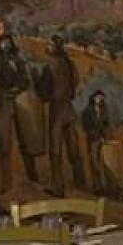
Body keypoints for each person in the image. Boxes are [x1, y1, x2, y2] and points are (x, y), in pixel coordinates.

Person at [37, 32, 84, 194]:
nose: (47, 47)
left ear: (55, 48)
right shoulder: (70, 63)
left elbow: (43, 91)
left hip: (56, 108)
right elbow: (76, 81)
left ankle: (58, 187)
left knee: (55, 149)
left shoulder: (49, 65)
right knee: (73, 147)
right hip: (68, 107)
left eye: (49, 45)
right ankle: (81, 184)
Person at [0, 33, 38, 186]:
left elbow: (25, 80)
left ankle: (33, 179)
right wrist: (2, 91)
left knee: (26, 141)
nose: (5, 45)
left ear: (11, 44)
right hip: (4, 102)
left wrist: (18, 88)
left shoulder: (18, 60)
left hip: (20, 101)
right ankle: (6, 182)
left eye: (8, 42)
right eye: (3, 43)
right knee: (4, 143)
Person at [81, 89, 116, 194]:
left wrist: (106, 135)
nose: (100, 99)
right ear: (94, 98)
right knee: (94, 163)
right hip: (93, 140)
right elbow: (86, 127)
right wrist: (96, 135)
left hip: (103, 140)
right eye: (98, 97)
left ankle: (107, 186)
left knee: (105, 162)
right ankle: (97, 187)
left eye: (102, 98)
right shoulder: (87, 111)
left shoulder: (104, 110)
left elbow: (107, 124)